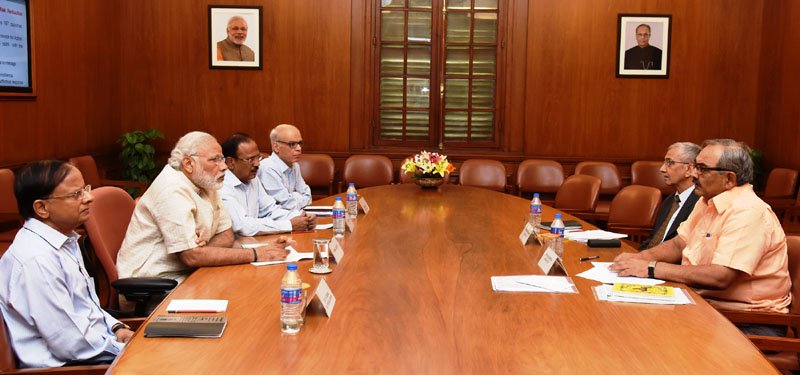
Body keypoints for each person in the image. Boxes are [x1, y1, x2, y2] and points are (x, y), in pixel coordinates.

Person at [612, 139, 791, 336]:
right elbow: (679, 243)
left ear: (729, 179)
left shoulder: (748, 212)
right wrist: (640, 258)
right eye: (696, 166)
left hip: (747, 321)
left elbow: (721, 276)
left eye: (702, 169)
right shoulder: (707, 201)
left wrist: (651, 268)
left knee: (644, 334)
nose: (694, 174)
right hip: (705, 306)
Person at [0, 161, 134, 368]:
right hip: (72, 368)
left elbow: (85, 306)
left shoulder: (63, 241)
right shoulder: (37, 260)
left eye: (85, 189)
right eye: (76, 195)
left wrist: (116, 327)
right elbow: (73, 344)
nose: (89, 198)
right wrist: (131, 349)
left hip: (97, 352)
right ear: (42, 208)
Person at [116, 131, 291, 284]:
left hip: (192, 272)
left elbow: (227, 235)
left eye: (221, 159)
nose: (223, 166)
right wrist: (256, 254)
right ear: (188, 164)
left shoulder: (207, 181)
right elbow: (191, 256)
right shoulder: (171, 189)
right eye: (215, 160)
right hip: (157, 283)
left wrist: (203, 248)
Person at [220, 133, 316, 236]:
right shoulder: (222, 185)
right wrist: (289, 225)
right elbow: (243, 226)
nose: (257, 164)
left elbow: (270, 210)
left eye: (258, 158)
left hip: (254, 241)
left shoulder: (253, 179)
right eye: (250, 159)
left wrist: (301, 217)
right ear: (231, 162)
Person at [639, 142, 701, 249]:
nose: (662, 169)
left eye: (670, 162)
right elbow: (654, 239)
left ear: (689, 169)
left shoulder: (699, 203)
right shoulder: (670, 200)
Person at [258, 124, 312, 211]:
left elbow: (307, 195)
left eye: (300, 143)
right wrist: (296, 196)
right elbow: (286, 204)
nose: (299, 148)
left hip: (292, 215)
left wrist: (293, 197)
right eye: (292, 144)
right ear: (276, 147)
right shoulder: (268, 168)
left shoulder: (295, 165)